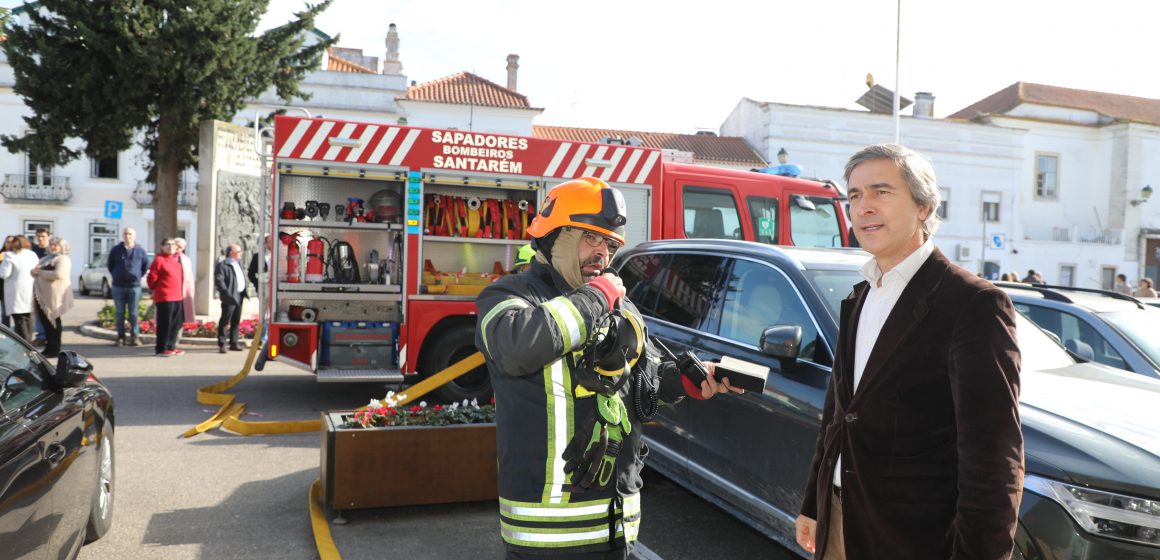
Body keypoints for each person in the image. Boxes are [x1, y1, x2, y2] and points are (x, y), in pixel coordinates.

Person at [475, 177, 741, 559]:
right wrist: (598, 296)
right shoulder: (510, 297)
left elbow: (641, 389)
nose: (602, 253)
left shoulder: (619, 306)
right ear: (555, 236)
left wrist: (685, 380)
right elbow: (518, 347)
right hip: (546, 540)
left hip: (618, 530)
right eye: (591, 238)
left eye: (611, 244)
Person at [795, 144, 1023, 560]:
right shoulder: (860, 295)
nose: (863, 207)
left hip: (915, 538)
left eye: (881, 192)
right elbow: (838, 414)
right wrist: (814, 502)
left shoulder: (972, 304)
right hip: (840, 520)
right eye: (855, 196)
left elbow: (994, 457)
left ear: (923, 206)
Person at [31, 237, 74, 357]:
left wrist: (41, 272)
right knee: (46, 324)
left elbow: (58, 274)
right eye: (51, 244)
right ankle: (48, 347)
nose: (53, 247)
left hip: (55, 297)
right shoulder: (46, 258)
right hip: (42, 297)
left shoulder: (63, 259)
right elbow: (33, 271)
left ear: (61, 247)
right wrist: (36, 272)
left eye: (56, 245)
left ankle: (54, 349)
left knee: (53, 323)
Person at [107, 227, 149, 347]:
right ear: (122, 235)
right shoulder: (116, 250)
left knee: (133, 313)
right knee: (120, 312)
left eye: (130, 234)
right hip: (118, 286)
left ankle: (135, 336)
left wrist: (136, 276)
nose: (127, 236)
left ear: (134, 236)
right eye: (125, 234)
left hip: (134, 286)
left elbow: (145, 266)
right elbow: (110, 265)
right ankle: (120, 337)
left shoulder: (140, 250)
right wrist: (117, 275)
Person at [147, 239, 184, 357]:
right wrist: (157, 289)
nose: (171, 246)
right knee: (165, 323)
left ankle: (171, 346)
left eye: (173, 244)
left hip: (177, 296)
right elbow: (151, 278)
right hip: (165, 297)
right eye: (167, 244)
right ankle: (161, 348)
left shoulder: (175, 261)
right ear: (162, 247)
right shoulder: (159, 260)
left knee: (175, 324)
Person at [0, 235, 39, 342]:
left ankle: (25, 347)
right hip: (30, 290)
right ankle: (29, 342)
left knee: (19, 320)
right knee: (29, 319)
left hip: (15, 292)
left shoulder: (9, 255)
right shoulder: (32, 254)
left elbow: (4, 274)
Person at [214, 244, 247, 353]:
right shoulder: (223, 265)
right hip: (230, 296)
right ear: (231, 253)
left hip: (240, 295)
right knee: (225, 320)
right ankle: (222, 344)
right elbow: (219, 280)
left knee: (236, 320)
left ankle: (234, 343)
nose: (241, 253)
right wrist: (226, 292)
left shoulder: (238, 263)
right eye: (239, 251)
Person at [173, 237, 196, 348]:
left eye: (180, 246)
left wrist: (190, 293)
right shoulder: (167, 258)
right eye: (176, 244)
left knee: (180, 318)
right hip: (170, 293)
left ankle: (176, 339)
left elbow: (189, 277)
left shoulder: (186, 259)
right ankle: (167, 339)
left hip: (182, 294)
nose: (177, 248)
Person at [30, 227, 51, 346]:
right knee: (38, 311)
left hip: (49, 286)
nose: (40, 239)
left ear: (48, 236)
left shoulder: (51, 250)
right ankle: (41, 336)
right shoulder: (34, 250)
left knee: (50, 312)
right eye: (38, 236)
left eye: (43, 236)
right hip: (36, 283)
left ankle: (49, 336)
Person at [0, 235, 15, 328]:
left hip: (10, 287)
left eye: (11, 242)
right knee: (4, 312)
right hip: (1, 286)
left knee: (9, 312)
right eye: (7, 241)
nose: (9, 244)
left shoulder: (16, 255)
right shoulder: (1, 254)